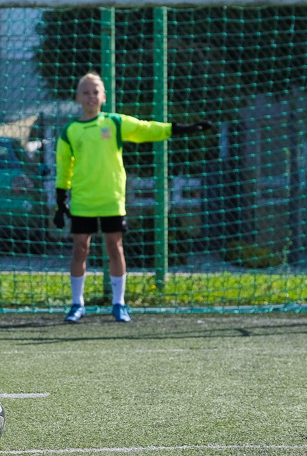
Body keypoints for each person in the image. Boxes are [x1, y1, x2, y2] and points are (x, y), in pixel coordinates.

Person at [53, 72, 212, 323]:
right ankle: (77, 304)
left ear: (104, 96)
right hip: (83, 200)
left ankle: (119, 303)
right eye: (86, 92)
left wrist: (183, 128)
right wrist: (61, 201)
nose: (91, 96)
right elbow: (64, 167)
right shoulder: (70, 131)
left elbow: (146, 128)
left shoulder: (114, 123)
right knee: (79, 249)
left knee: (114, 247)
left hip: (111, 199)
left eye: (95, 91)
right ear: (77, 97)